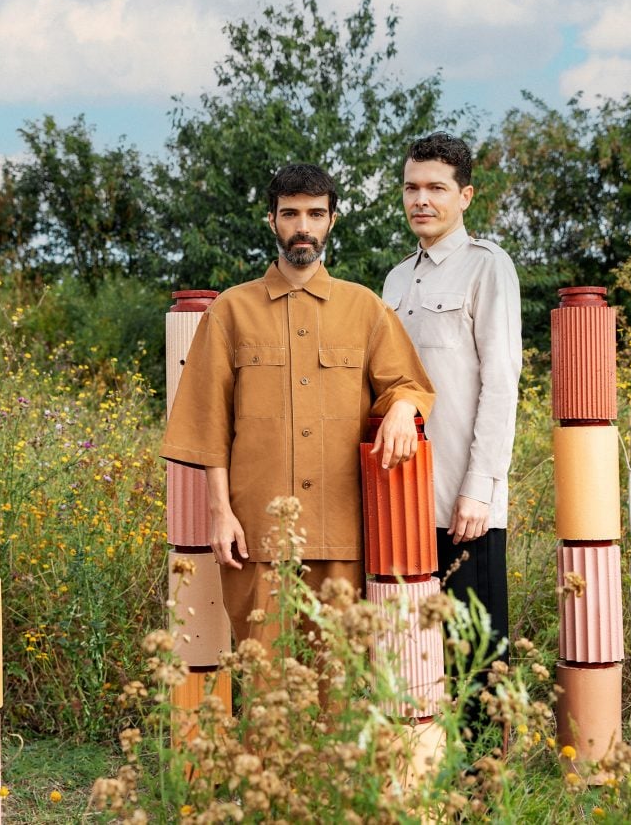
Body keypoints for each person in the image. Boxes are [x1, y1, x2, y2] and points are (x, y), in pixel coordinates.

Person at [161, 163, 435, 664]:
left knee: (338, 684)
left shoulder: (366, 308)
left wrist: (401, 406)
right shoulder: (230, 311)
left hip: (342, 534)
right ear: (272, 221)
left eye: (314, 213)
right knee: (268, 684)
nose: (302, 226)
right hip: (256, 533)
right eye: (290, 214)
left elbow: (409, 384)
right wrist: (221, 513)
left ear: (331, 220)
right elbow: (207, 422)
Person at [382, 132, 522, 733]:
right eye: (413, 187)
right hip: (401, 502)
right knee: (415, 657)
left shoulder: (487, 267)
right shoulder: (392, 281)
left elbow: (502, 380)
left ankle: (483, 800)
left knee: (476, 656)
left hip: (462, 501)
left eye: (436, 188)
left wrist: (481, 488)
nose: (422, 200)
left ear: (464, 195)